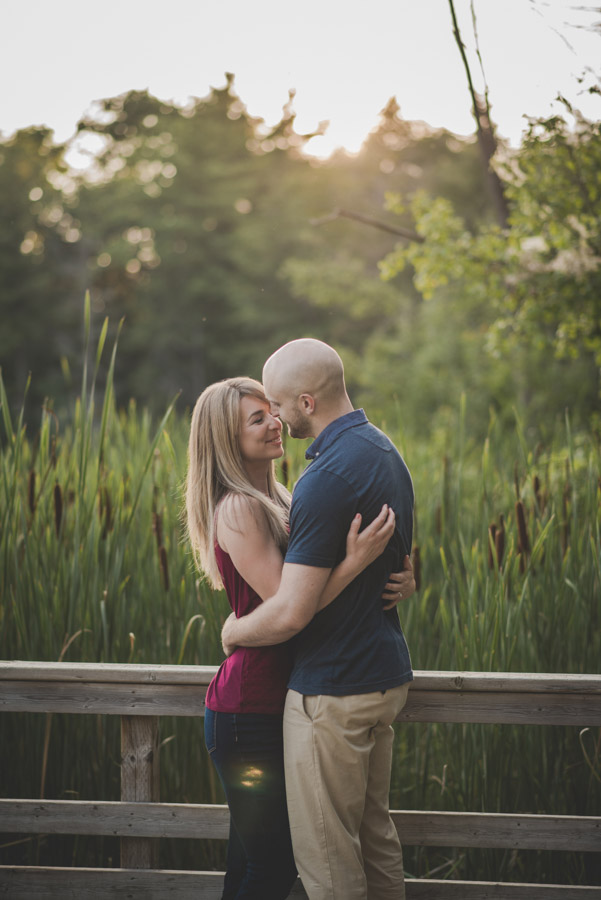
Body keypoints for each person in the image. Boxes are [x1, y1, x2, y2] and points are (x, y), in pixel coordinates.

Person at [185, 375, 415, 900]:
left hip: (280, 697)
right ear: (225, 439)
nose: (276, 423)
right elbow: (292, 609)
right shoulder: (240, 509)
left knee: (251, 861)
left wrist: (394, 576)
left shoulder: (281, 496)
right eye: (258, 419)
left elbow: (305, 591)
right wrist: (357, 562)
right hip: (250, 710)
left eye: (272, 411)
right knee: (271, 866)